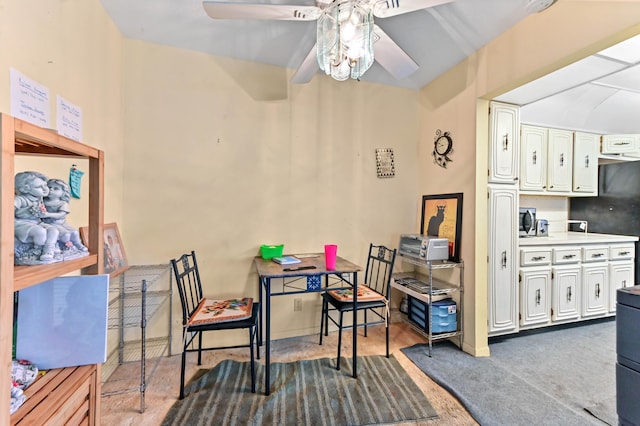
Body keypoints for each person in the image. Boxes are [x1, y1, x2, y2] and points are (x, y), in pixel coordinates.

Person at [14, 171, 60, 262]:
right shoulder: (21, 199)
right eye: (39, 187)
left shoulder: (39, 198)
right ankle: (38, 250)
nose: (45, 189)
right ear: (25, 189)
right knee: (40, 232)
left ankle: (49, 249)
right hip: (22, 222)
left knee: (54, 230)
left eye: (45, 185)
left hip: (36, 222)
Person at [42, 178, 88, 253]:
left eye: (56, 188)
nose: (51, 190)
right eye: (49, 187)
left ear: (63, 193)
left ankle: (78, 244)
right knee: (65, 234)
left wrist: (47, 214)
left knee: (75, 232)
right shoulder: (42, 202)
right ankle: (62, 246)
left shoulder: (62, 203)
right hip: (49, 224)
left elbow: (61, 214)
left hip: (61, 223)